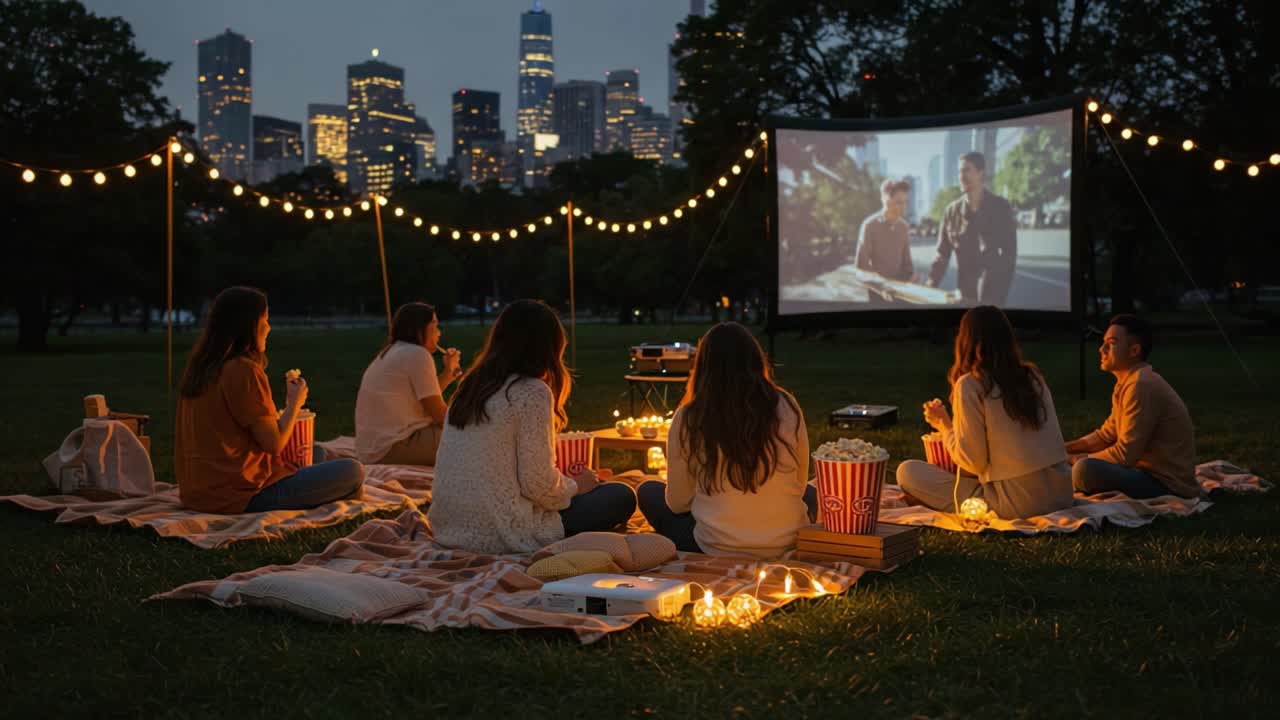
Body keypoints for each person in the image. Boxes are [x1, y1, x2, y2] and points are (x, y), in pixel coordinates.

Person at [427, 300, 636, 554]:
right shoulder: (530, 391)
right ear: (549, 348)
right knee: (620, 495)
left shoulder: (470, 387)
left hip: (448, 527)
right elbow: (537, 486)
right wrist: (577, 485)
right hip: (504, 533)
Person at [175, 286, 364, 514]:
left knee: (315, 452)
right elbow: (274, 444)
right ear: (248, 325)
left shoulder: (201, 368)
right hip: (241, 494)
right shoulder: (244, 370)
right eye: (265, 320)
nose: (269, 327)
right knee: (353, 471)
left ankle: (327, 489)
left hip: (197, 492)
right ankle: (339, 491)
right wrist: (294, 404)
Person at [636, 322, 817, 558]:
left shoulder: (689, 416)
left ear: (703, 366)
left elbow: (677, 503)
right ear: (755, 360)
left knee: (649, 490)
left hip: (715, 545)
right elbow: (799, 484)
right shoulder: (787, 405)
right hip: (786, 540)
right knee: (812, 493)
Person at [896, 306, 1072, 518]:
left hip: (1016, 504)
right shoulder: (1032, 376)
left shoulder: (971, 384)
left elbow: (973, 461)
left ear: (964, 340)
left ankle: (929, 498)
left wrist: (944, 425)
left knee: (907, 471)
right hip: (1062, 495)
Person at [1065, 315, 1197, 498]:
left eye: (1111, 343)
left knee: (1085, 470)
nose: (1102, 349)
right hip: (1142, 474)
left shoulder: (1141, 385)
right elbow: (1105, 435)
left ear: (1134, 350)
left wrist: (1076, 459)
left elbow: (1125, 455)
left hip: (1165, 485)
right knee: (1078, 466)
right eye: (1103, 343)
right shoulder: (1128, 382)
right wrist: (1064, 448)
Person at [355, 302, 461, 466]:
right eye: (434, 326)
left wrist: (448, 373)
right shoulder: (417, 354)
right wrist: (466, 427)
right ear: (420, 329)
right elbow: (438, 413)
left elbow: (424, 397)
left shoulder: (392, 351)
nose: (439, 333)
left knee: (465, 434)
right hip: (394, 446)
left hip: (372, 449)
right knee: (471, 441)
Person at [928, 152, 1018, 304]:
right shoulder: (951, 211)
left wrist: (1000, 294)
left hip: (992, 295)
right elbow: (942, 254)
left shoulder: (1001, 207)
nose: (961, 176)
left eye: (966, 170)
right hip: (964, 294)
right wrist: (931, 283)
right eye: (959, 171)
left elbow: (1009, 255)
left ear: (980, 172)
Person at [856, 178, 916, 298]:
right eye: (899, 202)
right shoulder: (869, 225)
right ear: (885, 199)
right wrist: (882, 287)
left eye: (905, 202)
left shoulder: (903, 227)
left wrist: (911, 277)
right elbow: (861, 265)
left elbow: (907, 262)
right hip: (877, 293)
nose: (903, 207)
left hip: (901, 292)